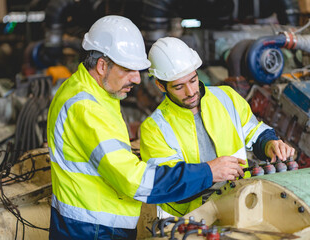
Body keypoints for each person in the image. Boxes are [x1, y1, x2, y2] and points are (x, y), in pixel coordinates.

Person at [47, 16, 247, 240]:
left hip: (89, 224)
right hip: (93, 230)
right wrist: (208, 172)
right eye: (129, 70)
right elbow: (136, 181)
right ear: (102, 66)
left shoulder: (86, 90)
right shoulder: (86, 108)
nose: (138, 79)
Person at [140, 37, 295, 217]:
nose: (190, 92)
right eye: (179, 87)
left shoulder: (226, 97)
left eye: (192, 80)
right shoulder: (154, 129)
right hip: (189, 219)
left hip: (240, 201)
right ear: (161, 85)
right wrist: (209, 172)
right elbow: (167, 184)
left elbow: (254, 131)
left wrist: (270, 144)